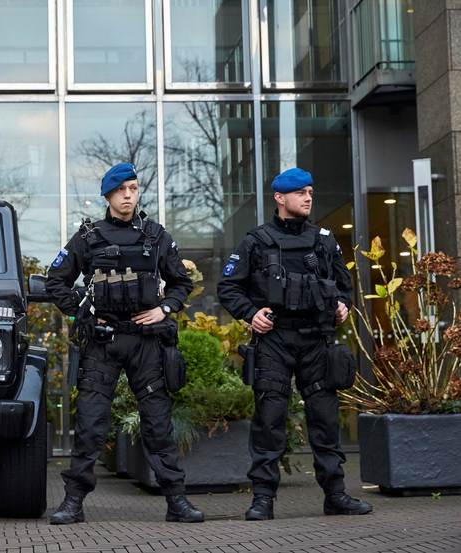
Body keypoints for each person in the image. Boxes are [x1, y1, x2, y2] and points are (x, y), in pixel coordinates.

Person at [46, 162, 203, 524]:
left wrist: (164, 309)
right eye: (121, 190)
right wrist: (84, 313)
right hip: (103, 343)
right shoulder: (88, 238)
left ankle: (176, 501)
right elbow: (56, 281)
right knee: (89, 423)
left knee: (158, 423)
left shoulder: (156, 235)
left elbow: (182, 282)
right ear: (108, 196)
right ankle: (73, 502)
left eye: (133, 188)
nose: (128, 196)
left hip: (146, 342)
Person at [217, 167, 372, 520]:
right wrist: (250, 313)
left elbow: (345, 285)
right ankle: (263, 500)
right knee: (269, 420)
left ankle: (336, 496)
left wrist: (343, 305)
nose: (308, 198)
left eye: (311, 192)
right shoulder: (256, 242)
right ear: (279, 198)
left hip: (317, 341)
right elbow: (228, 287)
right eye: (301, 192)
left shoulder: (324, 240)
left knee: (325, 420)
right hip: (274, 340)